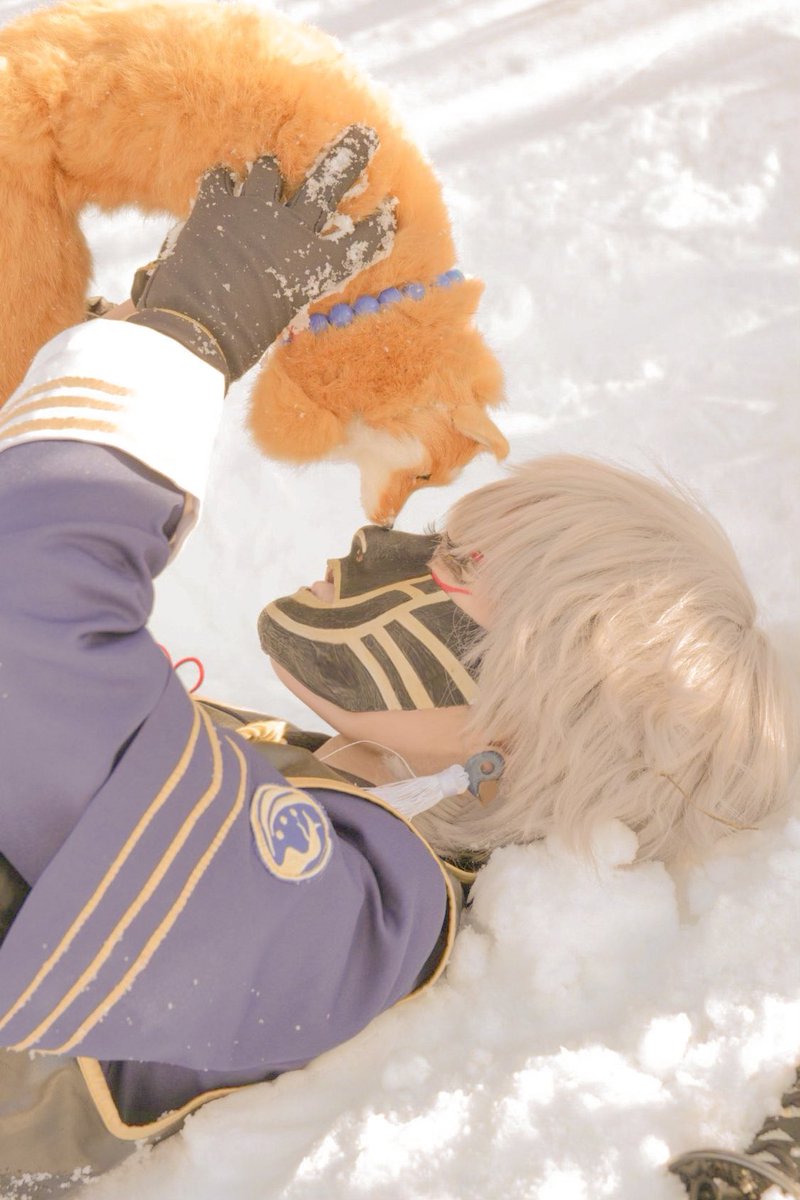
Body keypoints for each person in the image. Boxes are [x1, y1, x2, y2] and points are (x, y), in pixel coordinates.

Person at [0, 122, 796, 1195]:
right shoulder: (302, 803)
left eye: (456, 562)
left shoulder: (350, 915)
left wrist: (174, 347)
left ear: (526, 726)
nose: (383, 543)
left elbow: (28, 636)